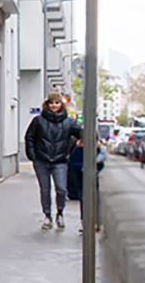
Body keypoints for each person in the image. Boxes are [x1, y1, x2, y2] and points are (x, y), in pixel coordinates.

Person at [24, 92, 82, 230]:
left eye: (56, 103)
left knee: (61, 189)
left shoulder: (69, 122)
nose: (54, 105)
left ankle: (60, 213)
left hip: (60, 161)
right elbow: (30, 137)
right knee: (45, 190)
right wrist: (32, 155)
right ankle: (47, 216)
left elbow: (81, 133)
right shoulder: (38, 120)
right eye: (51, 103)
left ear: (61, 104)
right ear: (47, 104)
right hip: (42, 160)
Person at [68, 137, 106, 234]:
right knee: (84, 201)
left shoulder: (97, 149)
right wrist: (82, 168)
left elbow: (101, 164)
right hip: (81, 180)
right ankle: (84, 222)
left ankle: (95, 223)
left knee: (94, 200)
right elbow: (73, 163)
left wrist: (97, 168)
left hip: (93, 179)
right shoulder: (78, 150)